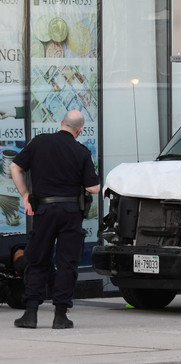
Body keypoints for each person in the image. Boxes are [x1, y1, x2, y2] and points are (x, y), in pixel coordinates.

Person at [10, 109, 100, 329]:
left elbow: (15, 166)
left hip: (44, 210)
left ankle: (30, 314)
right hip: (70, 212)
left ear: (61, 123)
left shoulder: (39, 142)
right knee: (67, 263)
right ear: (78, 131)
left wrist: (25, 195)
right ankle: (60, 315)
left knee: (38, 259)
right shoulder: (81, 151)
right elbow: (93, 188)